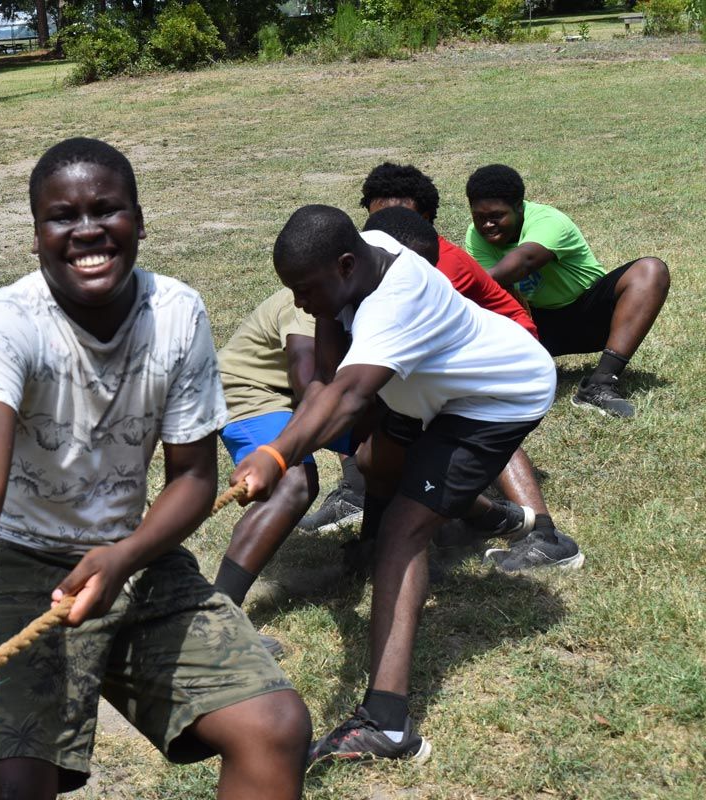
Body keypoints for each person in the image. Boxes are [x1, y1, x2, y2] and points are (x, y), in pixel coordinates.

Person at [0, 137, 310, 800]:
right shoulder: (3, 325)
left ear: (140, 221)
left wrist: (123, 557)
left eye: (107, 209)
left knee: (275, 724)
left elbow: (193, 480)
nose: (87, 228)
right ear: (36, 237)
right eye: (63, 216)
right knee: (11, 786)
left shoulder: (178, 313)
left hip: (131, 556)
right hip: (15, 561)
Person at [230, 205, 556, 762]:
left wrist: (277, 456)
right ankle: (484, 515)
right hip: (429, 387)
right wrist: (281, 447)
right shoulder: (367, 249)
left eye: (306, 291)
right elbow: (327, 381)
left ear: (347, 264)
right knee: (376, 460)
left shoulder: (395, 304)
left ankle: (386, 723)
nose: (300, 304)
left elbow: (349, 396)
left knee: (403, 533)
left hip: (494, 397)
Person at [361, 206, 583, 570]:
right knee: (388, 452)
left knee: (475, 422)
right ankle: (487, 518)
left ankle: (545, 536)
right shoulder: (371, 273)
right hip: (454, 357)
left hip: (505, 355)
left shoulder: (431, 267)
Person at [465, 163, 670, 418]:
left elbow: (524, 262)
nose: (487, 225)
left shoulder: (548, 221)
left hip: (593, 314)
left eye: (496, 215)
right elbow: (492, 295)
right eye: (479, 217)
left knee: (651, 270)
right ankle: (524, 372)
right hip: (538, 324)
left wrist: (460, 285)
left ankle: (601, 382)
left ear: (519, 206)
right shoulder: (475, 237)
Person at [212, 289, 364, 626]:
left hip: (304, 397)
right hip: (251, 389)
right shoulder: (315, 300)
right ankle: (217, 616)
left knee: (387, 439)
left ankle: (372, 550)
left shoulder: (378, 297)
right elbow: (306, 383)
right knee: (293, 482)